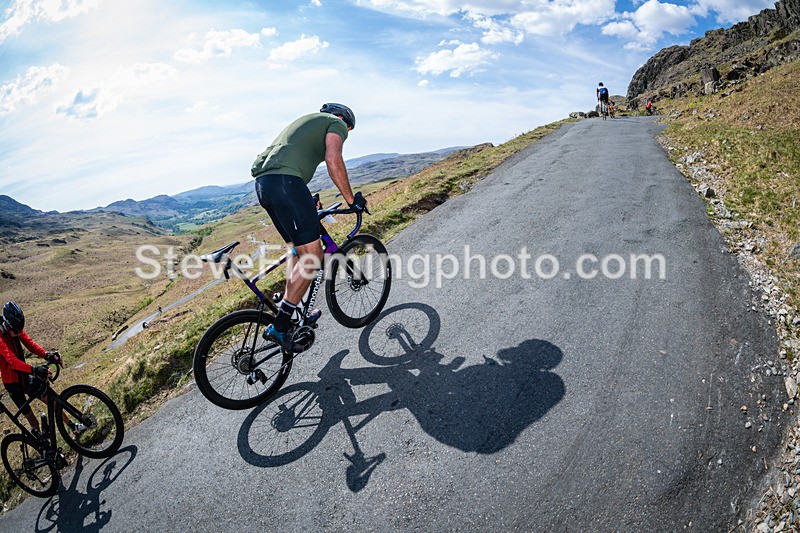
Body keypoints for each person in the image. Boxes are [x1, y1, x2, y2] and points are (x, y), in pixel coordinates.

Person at [251, 103, 367, 352]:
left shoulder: (307, 122)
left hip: (265, 186)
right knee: (313, 257)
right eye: (348, 130)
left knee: (297, 251)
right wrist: (351, 201)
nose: (345, 133)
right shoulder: (335, 123)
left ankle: (292, 310)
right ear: (342, 118)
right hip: (286, 184)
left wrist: (305, 201)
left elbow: (291, 160)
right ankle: (280, 326)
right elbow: (333, 159)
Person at [0, 302, 76, 438]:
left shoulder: (15, 327)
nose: (19, 333)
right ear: (6, 325)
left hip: (25, 376)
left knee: (53, 401)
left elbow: (30, 344)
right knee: (33, 421)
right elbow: (12, 362)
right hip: (12, 384)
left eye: (20, 330)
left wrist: (47, 355)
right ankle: (41, 446)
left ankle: (73, 427)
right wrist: (34, 370)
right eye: (16, 331)